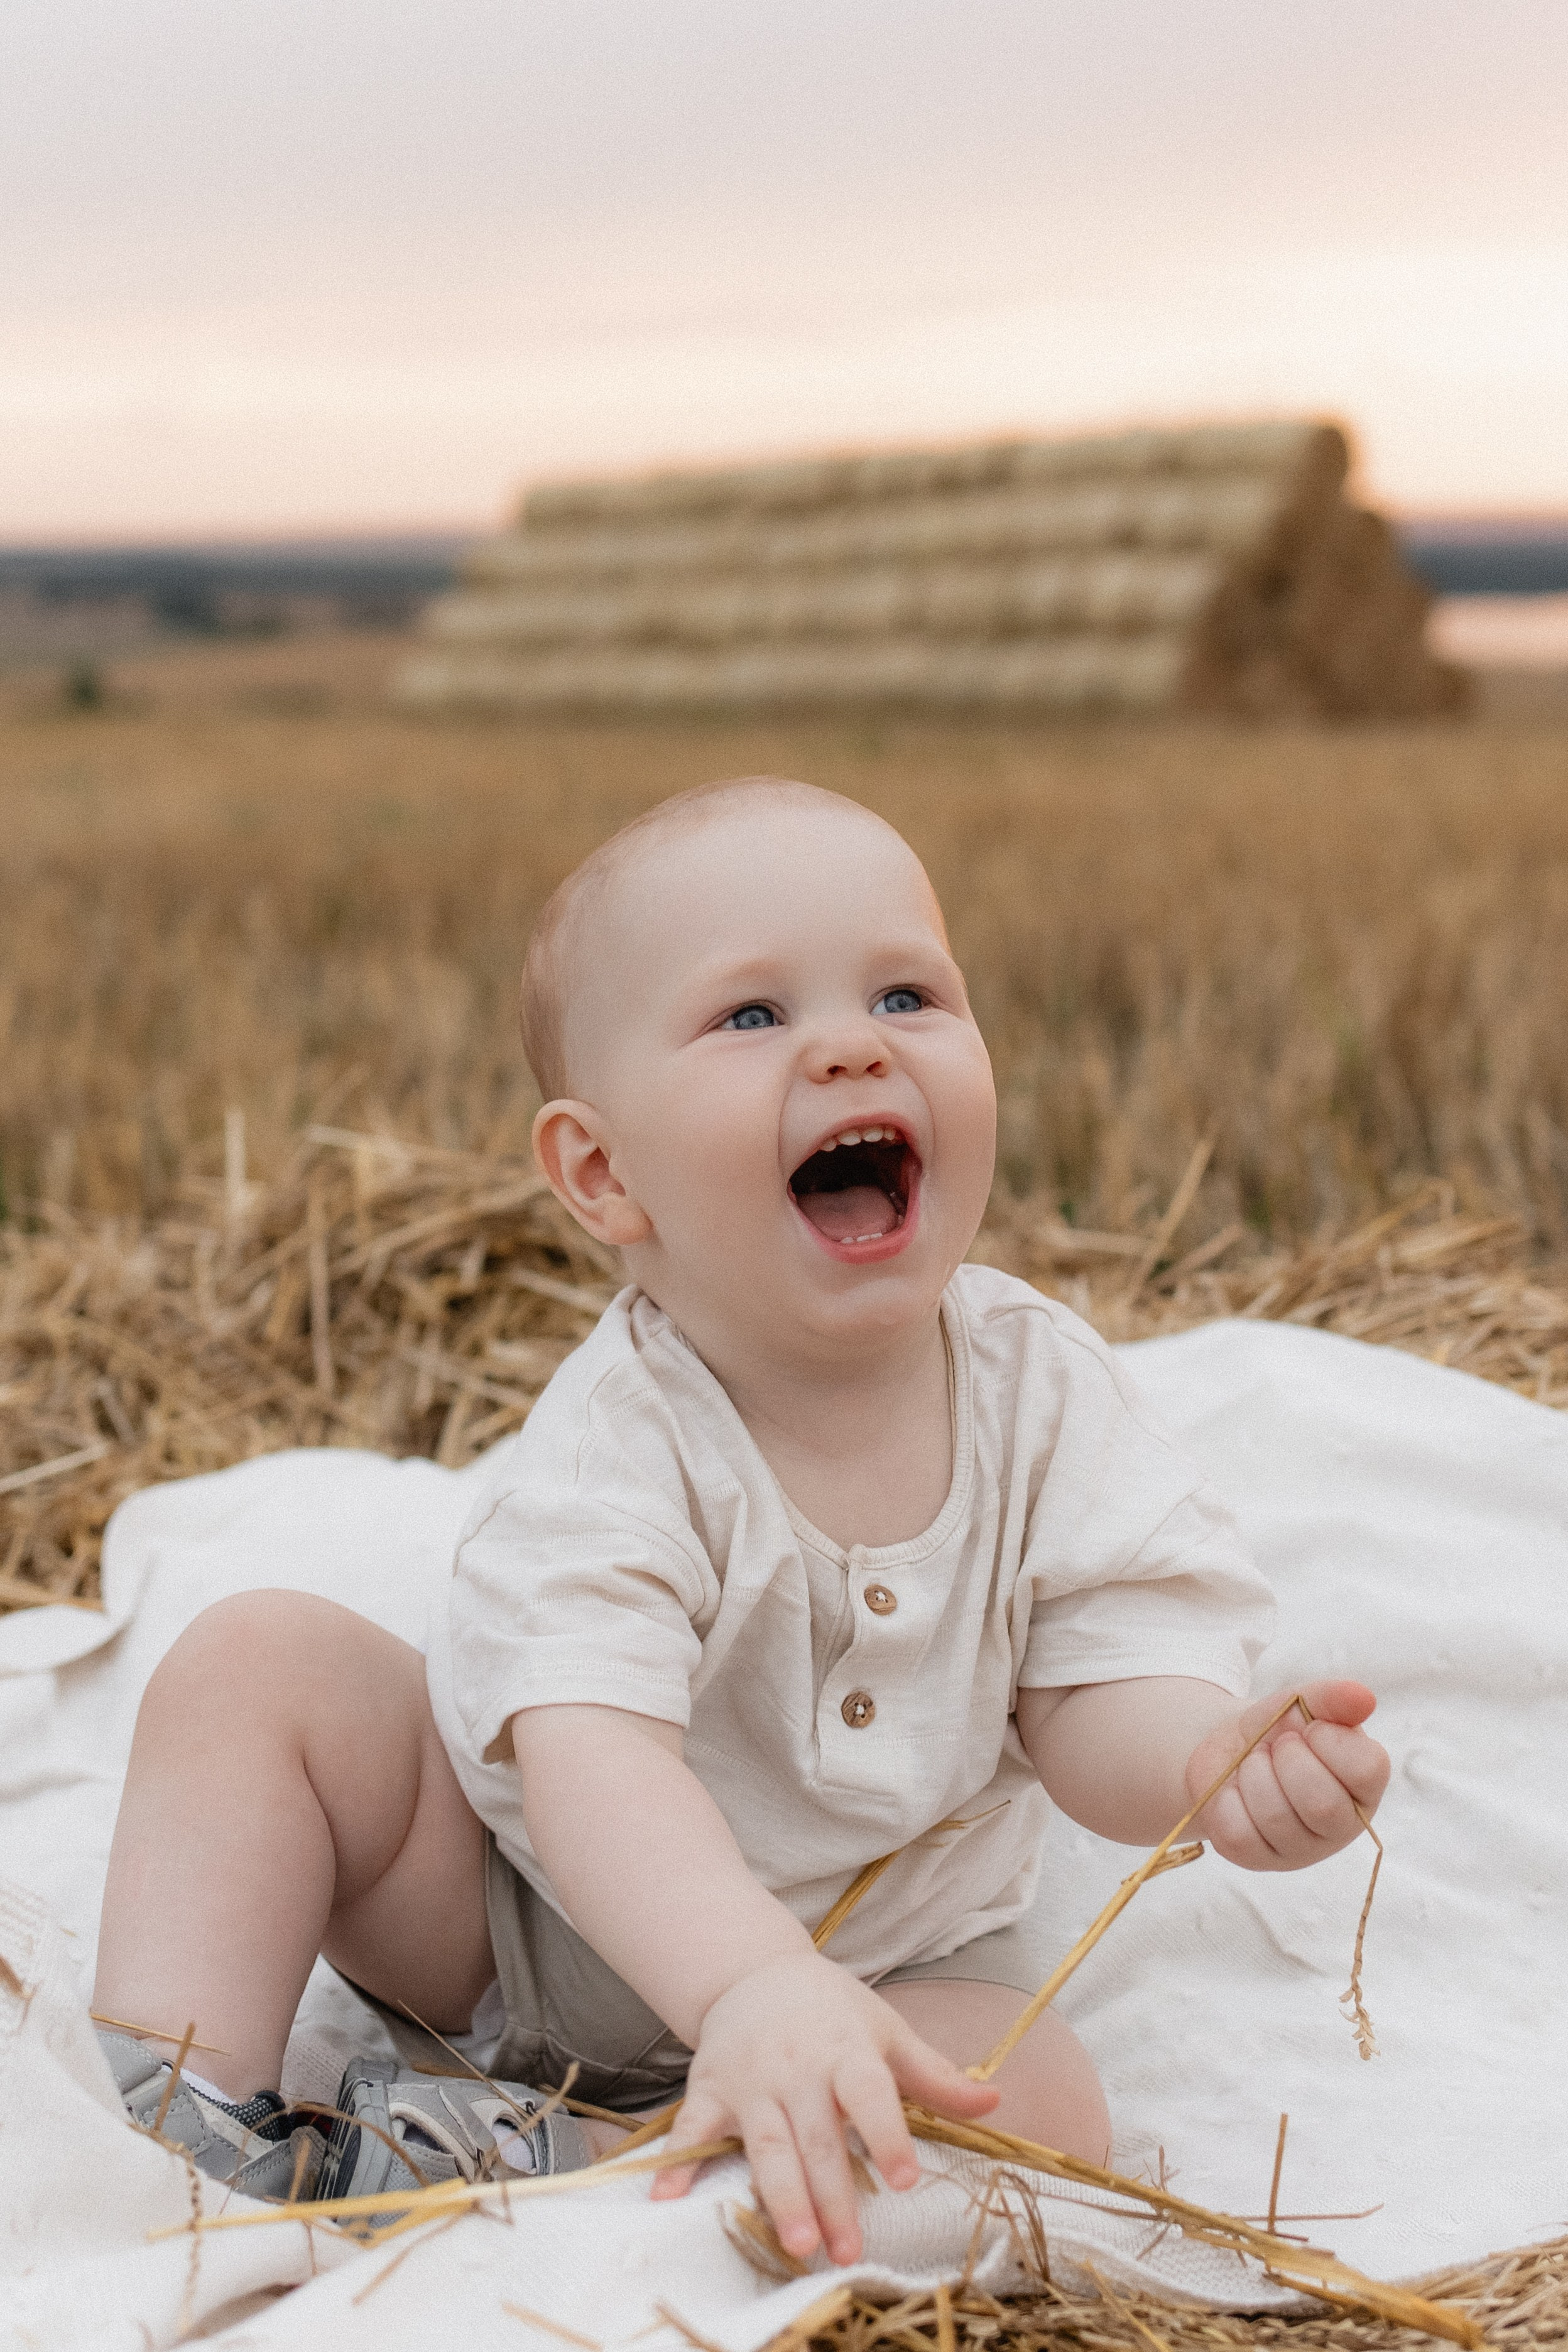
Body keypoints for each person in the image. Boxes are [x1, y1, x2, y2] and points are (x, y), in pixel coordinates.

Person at [94, 776, 1390, 2258]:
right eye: (753, 1018)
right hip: (520, 1933)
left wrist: (1204, 1765)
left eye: (908, 992)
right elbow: (591, 1767)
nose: (853, 1043)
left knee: (1042, 2098)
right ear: (603, 1172)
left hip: (885, 1979)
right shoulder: (621, 1443)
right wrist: (743, 1984)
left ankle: (566, 2155)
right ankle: (179, 2110)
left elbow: (1093, 1686)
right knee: (257, 1666)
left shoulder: (1044, 1394)